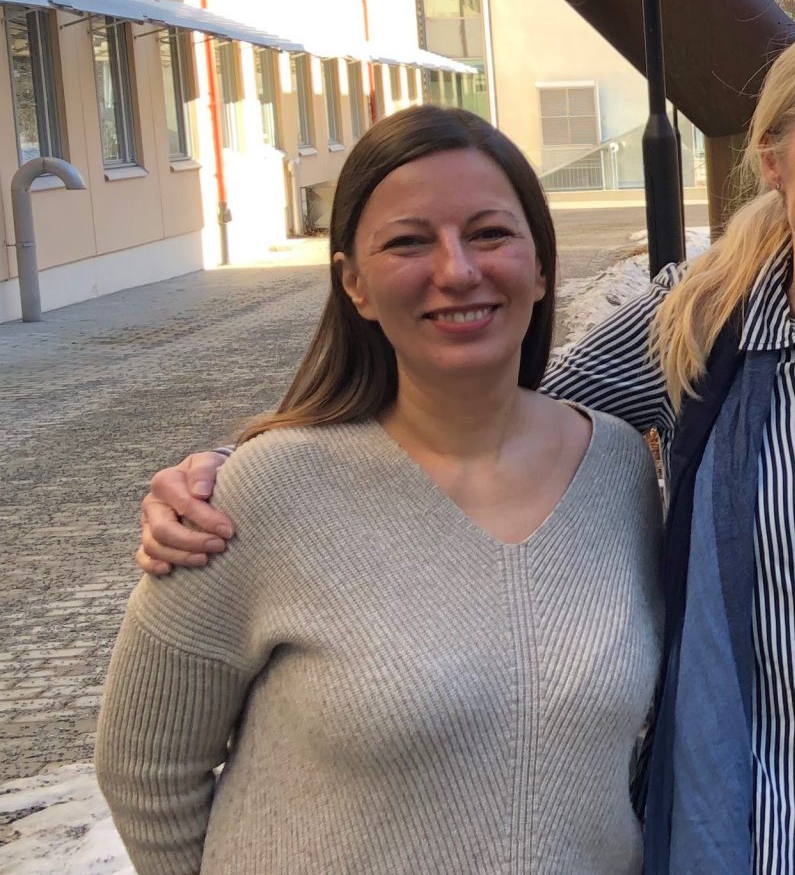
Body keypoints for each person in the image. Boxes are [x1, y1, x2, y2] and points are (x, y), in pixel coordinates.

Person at [136, 10, 795, 874]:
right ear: (773, 157)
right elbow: (486, 414)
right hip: (746, 827)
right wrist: (242, 472)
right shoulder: (692, 327)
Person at [93, 105, 662, 874]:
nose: (457, 270)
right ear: (354, 284)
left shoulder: (617, 470)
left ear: (541, 266)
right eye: (408, 242)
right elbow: (146, 770)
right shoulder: (262, 494)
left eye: (490, 233)